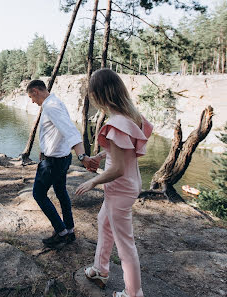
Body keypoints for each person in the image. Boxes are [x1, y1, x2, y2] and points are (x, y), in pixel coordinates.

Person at [75, 69, 153, 297]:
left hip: (120, 189)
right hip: (128, 185)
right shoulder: (131, 116)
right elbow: (123, 153)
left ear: (100, 94)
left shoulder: (117, 123)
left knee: (125, 245)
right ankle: (100, 270)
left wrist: (93, 182)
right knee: (104, 223)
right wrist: (100, 157)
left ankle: (133, 293)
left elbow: (118, 168)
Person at [27, 79, 97, 249]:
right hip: (61, 159)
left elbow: (70, 131)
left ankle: (61, 232)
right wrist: (43, 149)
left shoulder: (51, 106)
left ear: (36, 91)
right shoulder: (55, 103)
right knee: (61, 192)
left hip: (53, 163)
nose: (32, 101)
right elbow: (55, 133)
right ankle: (70, 230)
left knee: (39, 194)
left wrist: (82, 157)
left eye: (31, 97)